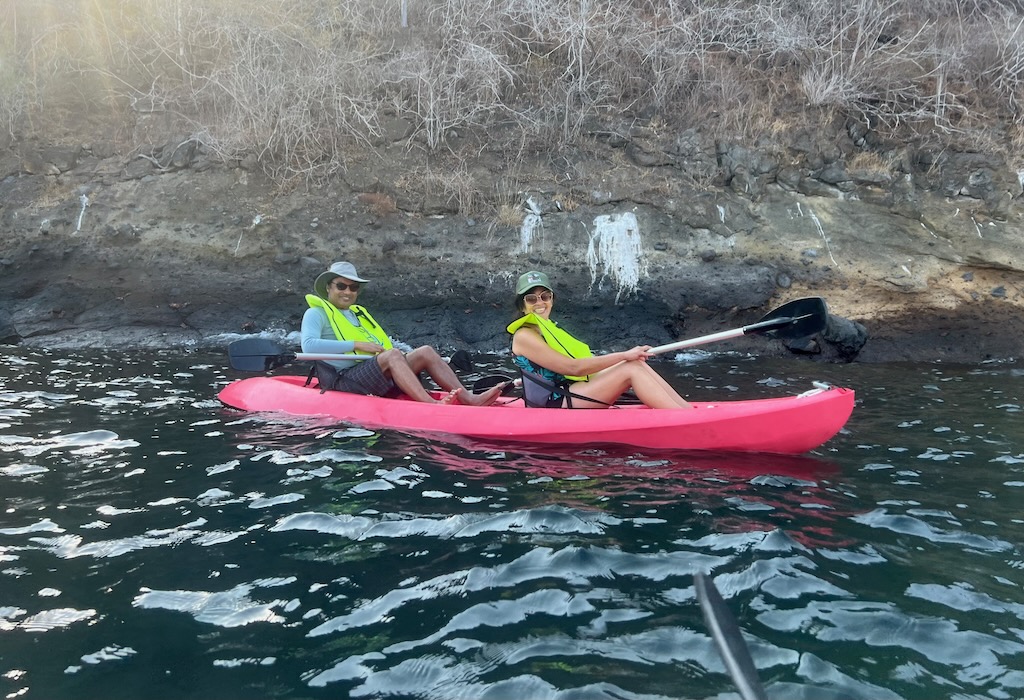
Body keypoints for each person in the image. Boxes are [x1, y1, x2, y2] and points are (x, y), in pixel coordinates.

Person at [301, 261, 504, 405]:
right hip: (343, 381)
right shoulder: (316, 313)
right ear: (329, 287)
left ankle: (468, 398)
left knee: (425, 351)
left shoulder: (357, 314)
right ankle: (429, 405)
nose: (347, 291)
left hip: (369, 373)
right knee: (394, 355)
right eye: (341, 286)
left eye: (353, 287)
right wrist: (355, 344)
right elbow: (308, 346)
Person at [507, 270, 691, 409]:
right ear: (522, 306)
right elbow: (574, 368)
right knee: (630, 369)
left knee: (637, 364)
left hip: (570, 389)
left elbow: (580, 365)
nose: (540, 303)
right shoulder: (524, 335)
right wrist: (624, 355)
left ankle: (685, 409)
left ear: (552, 300)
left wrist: (628, 358)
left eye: (545, 296)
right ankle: (682, 418)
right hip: (552, 401)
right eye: (531, 299)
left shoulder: (548, 329)